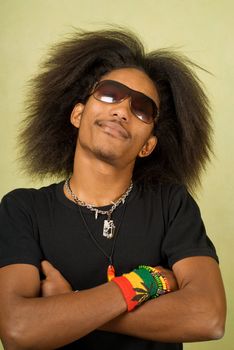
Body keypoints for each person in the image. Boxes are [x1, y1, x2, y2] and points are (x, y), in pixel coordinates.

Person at [0, 28, 226, 349]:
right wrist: (146, 281)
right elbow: (18, 329)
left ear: (148, 145)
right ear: (78, 114)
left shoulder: (171, 204)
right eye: (109, 93)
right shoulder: (22, 209)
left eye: (141, 109)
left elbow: (208, 317)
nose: (121, 110)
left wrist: (69, 306)